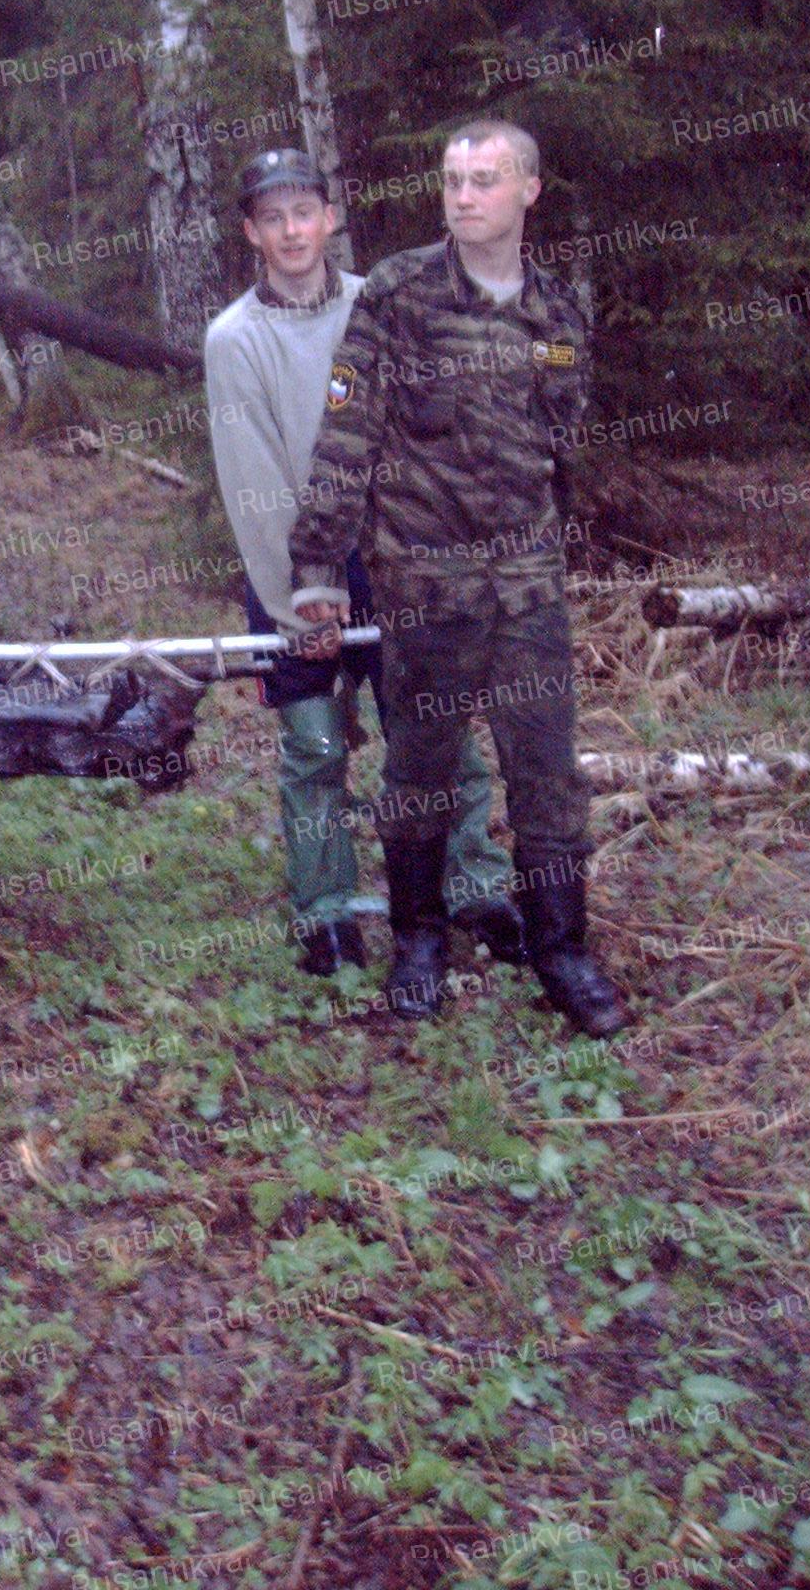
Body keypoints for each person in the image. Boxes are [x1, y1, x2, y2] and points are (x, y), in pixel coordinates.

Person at [289, 120, 626, 1036]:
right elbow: (347, 433)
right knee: (421, 771)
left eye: (485, 179)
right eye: (452, 180)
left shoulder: (559, 315)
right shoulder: (399, 294)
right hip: (427, 586)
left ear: (530, 191)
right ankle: (419, 941)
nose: (464, 196)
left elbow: (561, 448)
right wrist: (319, 565)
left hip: (528, 590)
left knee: (547, 773)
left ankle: (562, 949)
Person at [205, 147, 520, 978]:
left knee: (438, 734)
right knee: (315, 746)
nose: (291, 231)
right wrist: (303, 595)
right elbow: (252, 478)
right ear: (252, 233)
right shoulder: (234, 340)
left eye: (303, 212)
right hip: (293, 565)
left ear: (330, 218)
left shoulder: (377, 307)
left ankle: (476, 885)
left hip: (397, 557)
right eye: (272, 218)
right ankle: (326, 910)